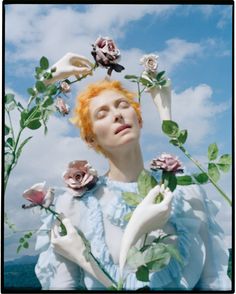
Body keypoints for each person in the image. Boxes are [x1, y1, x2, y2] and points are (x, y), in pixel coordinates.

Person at [34, 53, 231, 291]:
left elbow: (213, 281)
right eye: (102, 114)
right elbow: (63, 286)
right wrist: (47, 79)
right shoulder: (73, 204)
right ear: (91, 137)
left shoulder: (186, 190)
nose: (117, 115)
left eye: (123, 105)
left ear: (139, 119)